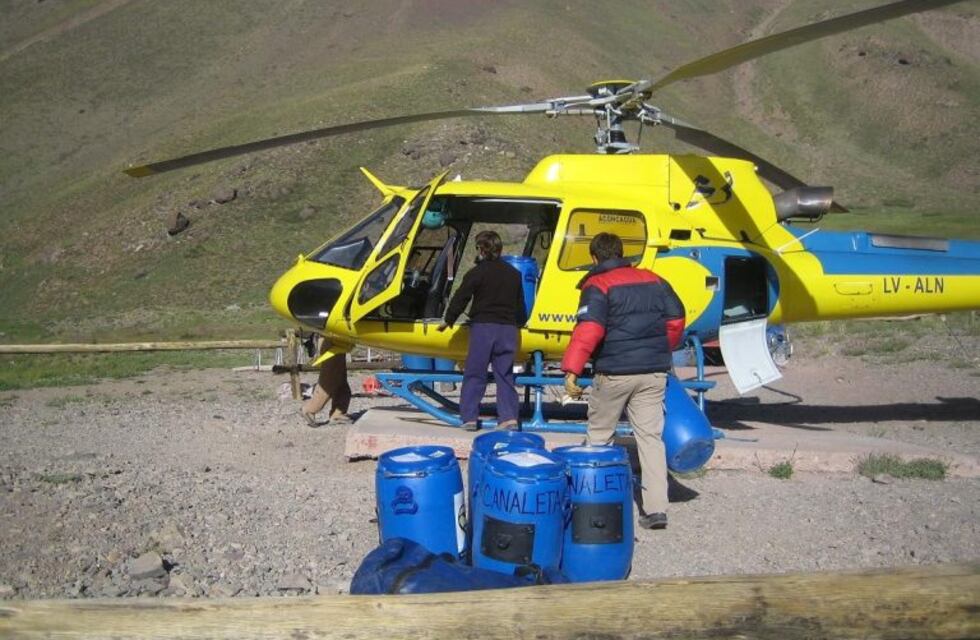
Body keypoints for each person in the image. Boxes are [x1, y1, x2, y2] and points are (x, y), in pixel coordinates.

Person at [561, 232, 685, 529]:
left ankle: (591, 504)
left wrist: (572, 369)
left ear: (594, 257)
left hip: (614, 372)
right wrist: (659, 349)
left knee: (600, 436)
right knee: (651, 439)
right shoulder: (653, 279)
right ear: (622, 252)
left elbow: (589, 330)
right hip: (653, 372)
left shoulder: (597, 285)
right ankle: (656, 510)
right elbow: (676, 319)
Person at [438, 230, 526, 431]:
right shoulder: (514, 274)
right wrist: (520, 322)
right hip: (508, 330)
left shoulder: (476, 272)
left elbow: (461, 298)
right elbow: (521, 306)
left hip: (484, 329)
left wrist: (448, 320)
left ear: (481, 249)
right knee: (505, 375)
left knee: (475, 373)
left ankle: (469, 417)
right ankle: (509, 418)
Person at [300, 335, 353, 427]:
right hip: (333, 338)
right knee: (329, 379)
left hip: (338, 338)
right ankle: (310, 409)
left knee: (340, 379)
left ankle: (337, 413)